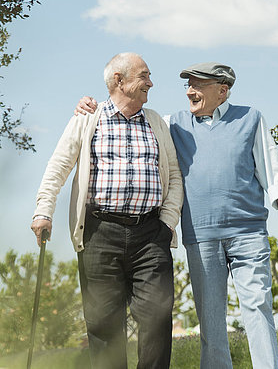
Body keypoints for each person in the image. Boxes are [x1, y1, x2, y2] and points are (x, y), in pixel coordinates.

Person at [75, 61, 278, 369]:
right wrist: (90, 105)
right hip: (201, 236)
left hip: (248, 233)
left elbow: (271, 168)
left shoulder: (250, 119)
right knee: (210, 319)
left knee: (258, 307)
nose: (189, 91)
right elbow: (129, 115)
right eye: (188, 85)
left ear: (222, 90)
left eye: (197, 85)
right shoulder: (173, 123)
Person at [31, 52, 183, 369]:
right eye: (144, 76)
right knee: (104, 329)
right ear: (119, 80)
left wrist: (167, 224)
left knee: (157, 317)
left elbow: (175, 175)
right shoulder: (88, 118)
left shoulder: (156, 122)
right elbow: (57, 168)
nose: (150, 83)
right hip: (100, 234)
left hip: (150, 235)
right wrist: (43, 211)